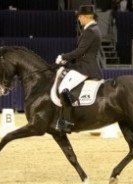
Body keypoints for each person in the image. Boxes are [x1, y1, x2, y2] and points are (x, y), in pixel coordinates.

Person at [55, 4, 103, 134]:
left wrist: (63, 57)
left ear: (86, 17)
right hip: (83, 65)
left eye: (80, 17)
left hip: (85, 67)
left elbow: (80, 51)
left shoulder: (90, 31)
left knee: (63, 88)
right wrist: (67, 60)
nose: (79, 19)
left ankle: (67, 122)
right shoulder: (93, 29)